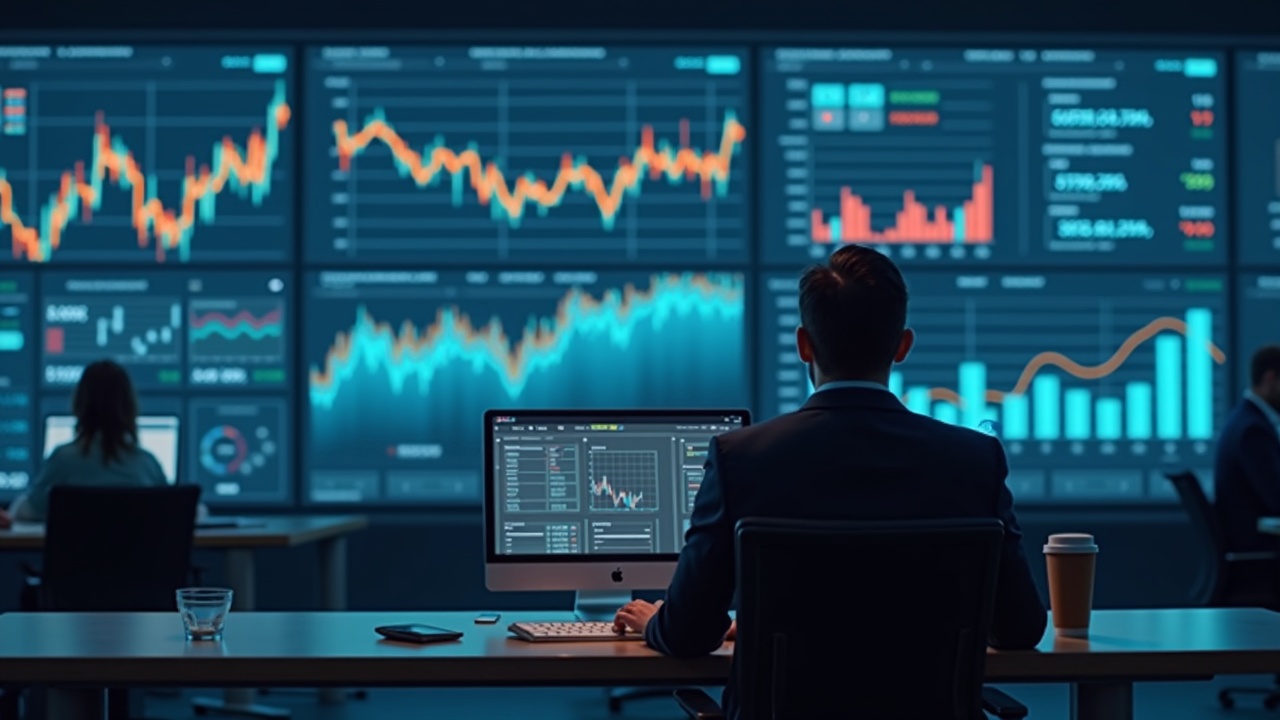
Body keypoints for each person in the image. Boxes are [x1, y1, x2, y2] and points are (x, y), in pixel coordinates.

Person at [614, 245, 1047, 717]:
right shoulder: (974, 460)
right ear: (903, 346)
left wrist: (658, 621)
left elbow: (688, 635)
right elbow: (1021, 627)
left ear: (804, 344)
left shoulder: (741, 458)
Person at [5, 360, 168, 524]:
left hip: (73, 550)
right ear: (129, 407)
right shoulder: (148, 465)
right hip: (137, 551)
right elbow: (172, 512)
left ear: (80, 404)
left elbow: (29, 510)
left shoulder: (63, 460)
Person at [1214, 345, 1280, 556]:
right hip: (1259, 551)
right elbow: (1276, 499)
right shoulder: (1253, 430)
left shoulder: (1244, 420)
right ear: (1271, 379)